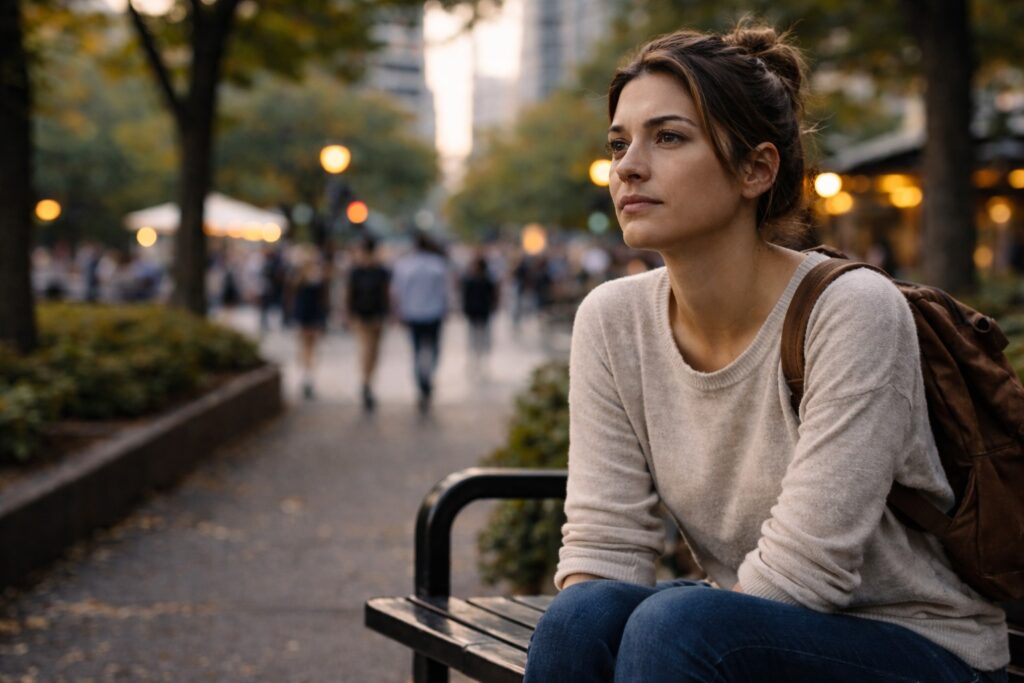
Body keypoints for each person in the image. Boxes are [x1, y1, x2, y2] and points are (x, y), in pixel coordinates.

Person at [523, 24, 1009, 683]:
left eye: (668, 137)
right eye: (619, 143)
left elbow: (806, 572)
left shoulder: (851, 310)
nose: (628, 165)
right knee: (581, 617)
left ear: (756, 169)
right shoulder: (612, 319)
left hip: (917, 646)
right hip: (749, 626)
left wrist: (686, 635)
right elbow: (603, 544)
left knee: (677, 628)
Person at [391, 231, 449, 413]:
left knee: (416, 351)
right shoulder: (438, 265)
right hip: (434, 313)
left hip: (413, 313)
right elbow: (445, 292)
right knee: (433, 349)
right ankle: (427, 377)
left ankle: (421, 382)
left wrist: (398, 312)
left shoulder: (404, 265)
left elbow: (396, 292)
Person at [346, 236, 391, 412]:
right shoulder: (367, 271)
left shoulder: (371, 270)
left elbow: (385, 294)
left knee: (370, 351)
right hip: (366, 317)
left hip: (372, 317)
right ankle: (366, 381)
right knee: (368, 350)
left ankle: (367, 381)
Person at [288, 247, 330, 399]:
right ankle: (308, 376)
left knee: (304, 348)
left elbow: (293, 299)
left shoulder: (298, 277)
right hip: (312, 316)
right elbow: (323, 300)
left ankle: (306, 376)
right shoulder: (317, 277)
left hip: (304, 316)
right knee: (311, 349)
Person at [460, 251, 499, 375]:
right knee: (475, 336)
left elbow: (493, 296)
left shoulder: (485, 280)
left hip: (481, 311)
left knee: (481, 336)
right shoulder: (471, 280)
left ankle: (481, 359)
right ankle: (475, 359)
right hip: (475, 311)